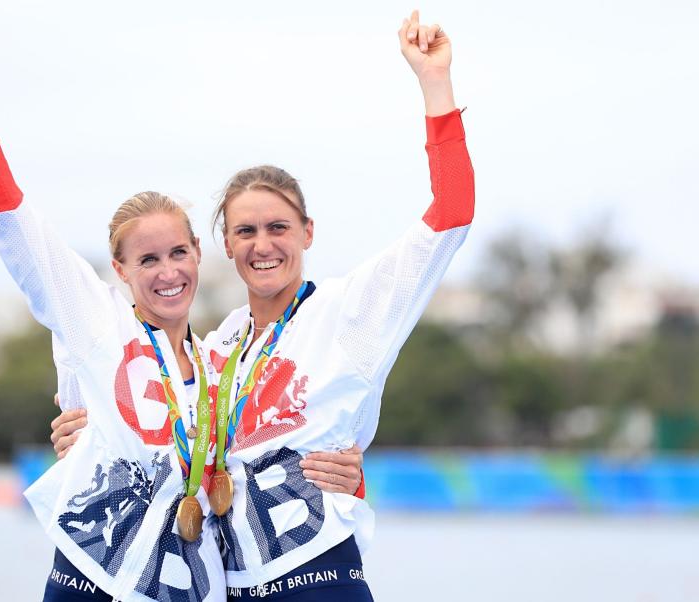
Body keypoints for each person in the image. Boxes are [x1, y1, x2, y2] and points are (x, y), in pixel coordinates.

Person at [0, 7, 366, 602]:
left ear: (199, 255)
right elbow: (7, 216)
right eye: (148, 260)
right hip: (92, 579)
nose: (168, 273)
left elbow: (273, 449)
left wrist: (348, 477)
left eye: (179, 253)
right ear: (120, 270)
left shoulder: (220, 362)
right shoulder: (96, 320)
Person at [53, 9, 474, 601]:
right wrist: (92, 437)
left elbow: (452, 213)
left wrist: (435, 84)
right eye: (245, 231)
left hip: (320, 579)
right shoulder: (217, 347)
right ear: (224, 244)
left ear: (308, 231)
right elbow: (165, 439)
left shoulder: (349, 310)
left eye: (278, 227)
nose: (263, 245)